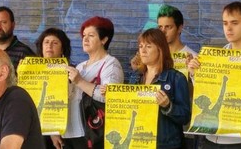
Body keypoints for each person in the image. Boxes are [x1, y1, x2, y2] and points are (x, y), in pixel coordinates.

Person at [188, 1, 241, 148]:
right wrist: (195, 75)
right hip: (211, 135)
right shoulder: (219, 55)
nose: (228, 28)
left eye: (234, 23)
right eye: (225, 23)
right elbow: (210, 94)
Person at [65, 16, 124, 149]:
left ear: (104, 39)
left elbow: (111, 97)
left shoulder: (111, 64)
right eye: (84, 35)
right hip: (70, 133)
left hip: (92, 133)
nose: (85, 39)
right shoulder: (80, 66)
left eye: (91, 35)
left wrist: (79, 81)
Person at [128, 28, 191, 149]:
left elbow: (185, 117)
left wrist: (168, 106)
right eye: (141, 46)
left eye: (148, 46)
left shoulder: (176, 78)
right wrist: (110, 96)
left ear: (160, 49)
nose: (143, 50)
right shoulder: (135, 77)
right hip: (139, 142)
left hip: (166, 145)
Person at [34, 28, 82, 149]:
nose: (49, 45)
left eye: (55, 43)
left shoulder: (71, 72)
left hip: (63, 131)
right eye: (46, 42)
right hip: (34, 129)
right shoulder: (31, 71)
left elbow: (64, 104)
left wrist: (53, 132)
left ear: (62, 49)